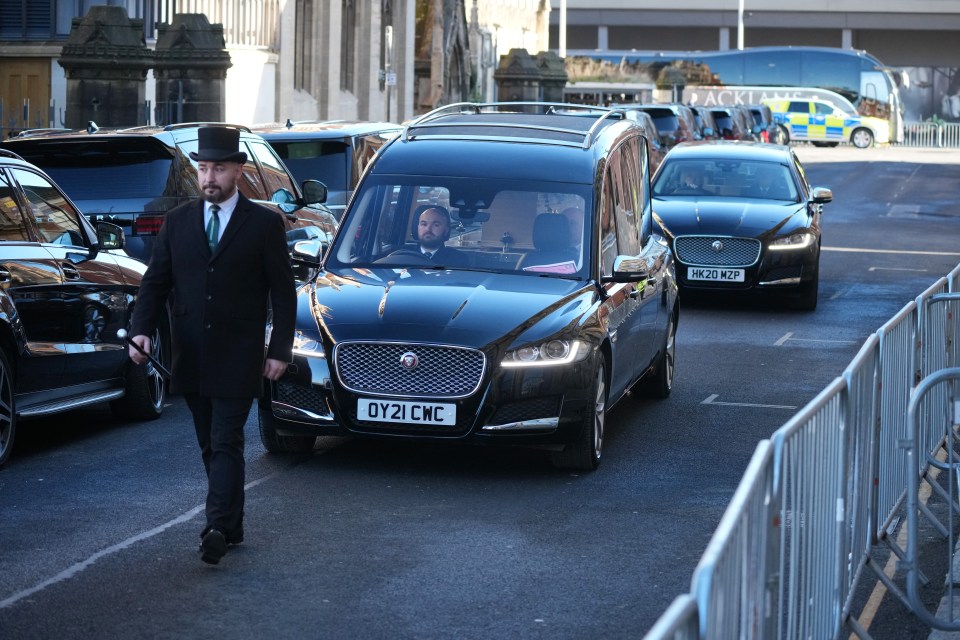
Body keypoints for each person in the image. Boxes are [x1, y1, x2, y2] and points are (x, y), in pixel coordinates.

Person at [127, 126, 296, 566]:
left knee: (225, 438)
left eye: (218, 168)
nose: (209, 178)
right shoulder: (178, 222)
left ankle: (216, 527)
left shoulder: (263, 224)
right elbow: (155, 282)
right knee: (210, 442)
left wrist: (279, 349)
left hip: (239, 353)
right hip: (192, 350)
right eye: (203, 168)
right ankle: (233, 524)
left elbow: (283, 291)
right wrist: (142, 328)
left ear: (238, 171)